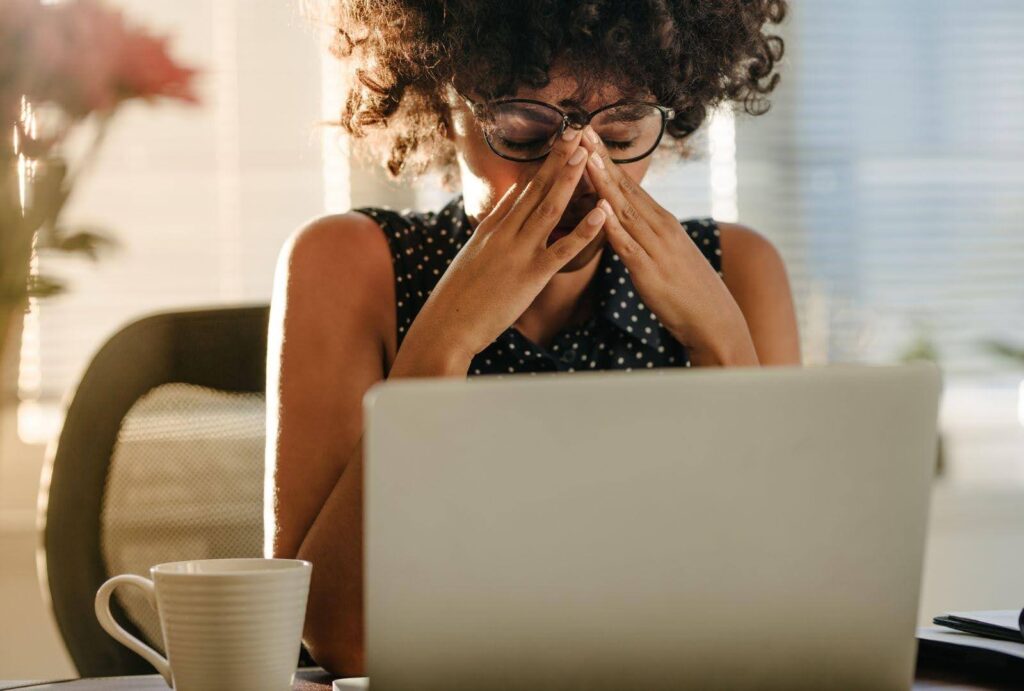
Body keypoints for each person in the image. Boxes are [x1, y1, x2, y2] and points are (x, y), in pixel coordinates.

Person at [266, 0, 799, 675]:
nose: (575, 170)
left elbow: (783, 617)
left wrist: (723, 342)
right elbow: (342, 636)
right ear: (444, 101)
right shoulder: (348, 264)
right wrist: (444, 342)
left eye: (624, 126)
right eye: (522, 127)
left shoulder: (740, 272)